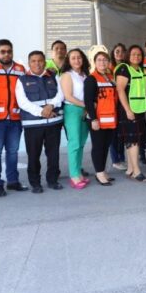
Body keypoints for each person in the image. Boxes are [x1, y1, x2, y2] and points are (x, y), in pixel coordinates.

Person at [15, 50, 64, 193]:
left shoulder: (53, 76)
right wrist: (42, 112)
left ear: (44, 61)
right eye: (33, 61)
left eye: (40, 60)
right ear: (29, 63)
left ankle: (53, 180)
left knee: (53, 153)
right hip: (33, 124)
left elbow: (60, 94)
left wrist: (50, 106)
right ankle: (35, 183)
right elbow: (22, 102)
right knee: (33, 154)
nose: (37, 64)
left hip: (53, 122)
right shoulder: (22, 80)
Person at [0, 39, 28, 197]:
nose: (6, 54)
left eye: (9, 51)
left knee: (13, 151)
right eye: (2, 52)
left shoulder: (20, 69)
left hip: (15, 118)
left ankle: (13, 181)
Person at [115, 45, 146, 181]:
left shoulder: (142, 70)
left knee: (135, 140)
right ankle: (137, 171)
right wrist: (128, 110)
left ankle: (130, 169)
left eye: (139, 54)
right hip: (129, 110)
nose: (136, 56)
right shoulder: (124, 69)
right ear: (128, 56)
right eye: (133, 54)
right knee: (133, 141)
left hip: (141, 108)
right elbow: (120, 90)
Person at [84, 51, 118, 186]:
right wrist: (93, 119)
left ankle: (103, 171)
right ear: (95, 62)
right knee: (98, 146)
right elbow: (88, 101)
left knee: (105, 146)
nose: (102, 62)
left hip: (110, 117)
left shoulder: (110, 77)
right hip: (97, 119)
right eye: (99, 60)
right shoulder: (91, 79)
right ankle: (99, 173)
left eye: (105, 60)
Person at [61, 48, 91, 189]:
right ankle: (73, 175)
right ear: (68, 60)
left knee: (81, 142)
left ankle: (78, 172)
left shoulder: (85, 75)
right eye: (73, 58)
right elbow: (68, 96)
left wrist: (87, 107)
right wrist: (85, 106)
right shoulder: (67, 75)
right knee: (74, 143)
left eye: (79, 57)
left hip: (85, 110)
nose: (76, 60)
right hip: (73, 110)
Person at [109, 43, 127, 171]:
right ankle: (116, 159)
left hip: (123, 103)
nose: (119, 54)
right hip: (112, 104)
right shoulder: (108, 68)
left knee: (122, 133)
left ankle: (122, 158)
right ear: (113, 53)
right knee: (114, 134)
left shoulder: (127, 67)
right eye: (117, 51)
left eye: (122, 51)